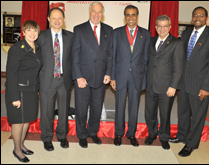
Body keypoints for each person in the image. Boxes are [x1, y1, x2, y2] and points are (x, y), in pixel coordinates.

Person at [169, 6, 209, 157]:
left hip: (200, 85)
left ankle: (191, 144)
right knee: (183, 112)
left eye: (201, 16)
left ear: (206, 18)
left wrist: (207, 87)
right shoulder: (186, 33)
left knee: (198, 115)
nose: (197, 18)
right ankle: (181, 136)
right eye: (195, 16)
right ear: (192, 18)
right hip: (184, 83)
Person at [71, 1, 113, 148]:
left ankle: (93, 132)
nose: (97, 14)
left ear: (103, 14)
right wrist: (78, 76)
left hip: (101, 77)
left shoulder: (109, 30)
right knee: (81, 108)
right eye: (94, 11)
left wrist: (108, 73)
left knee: (96, 107)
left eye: (99, 12)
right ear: (89, 12)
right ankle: (82, 134)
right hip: (83, 77)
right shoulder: (79, 29)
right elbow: (75, 55)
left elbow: (110, 55)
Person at [110, 5, 150, 147]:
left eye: (133, 15)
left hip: (137, 77)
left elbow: (146, 59)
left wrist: (144, 78)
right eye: (128, 15)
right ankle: (118, 133)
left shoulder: (145, 34)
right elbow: (113, 57)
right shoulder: (117, 33)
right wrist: (113, 77)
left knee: (134, 107)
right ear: (124, 16)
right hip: (120, 75)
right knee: (119, 106)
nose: (130, 18)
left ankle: (131, 134)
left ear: (137, 16)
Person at [144, 15, 184, 150]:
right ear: (155, 27)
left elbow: (179, 68)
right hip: (150, 85)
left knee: (165, 114)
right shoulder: (150, 41)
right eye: (159, 26)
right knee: (149, 113)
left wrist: (173, 86)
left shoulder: (176, 43)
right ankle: (152, 134)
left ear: (170, 27)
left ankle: (164, 137)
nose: (162, 29)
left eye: (165, 26)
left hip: (167, 87)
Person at [37, 7, 73, 151]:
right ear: (48, 19)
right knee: (46, 110)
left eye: (59, 18)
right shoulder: (40, 36)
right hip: (47, 79)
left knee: (64, 110)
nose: (57, 21)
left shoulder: (71, 36)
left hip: (64, 79)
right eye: (53, 18)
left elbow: (74, 58)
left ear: (64, 20)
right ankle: (46, 137)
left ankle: (62, 136)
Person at [5, 20, 42, 163]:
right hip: (18, 90)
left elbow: (36, 71)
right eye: (29, 30)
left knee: (27, 120)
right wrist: (14, 97)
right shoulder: (16, 49)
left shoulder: (37, 48)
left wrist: (36, 88)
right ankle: (17, 149)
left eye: (35, 31)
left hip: (31, 90)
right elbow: (11, 74)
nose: (32, 33)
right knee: (18, 122)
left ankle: (21, 144)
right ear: (23, 32)